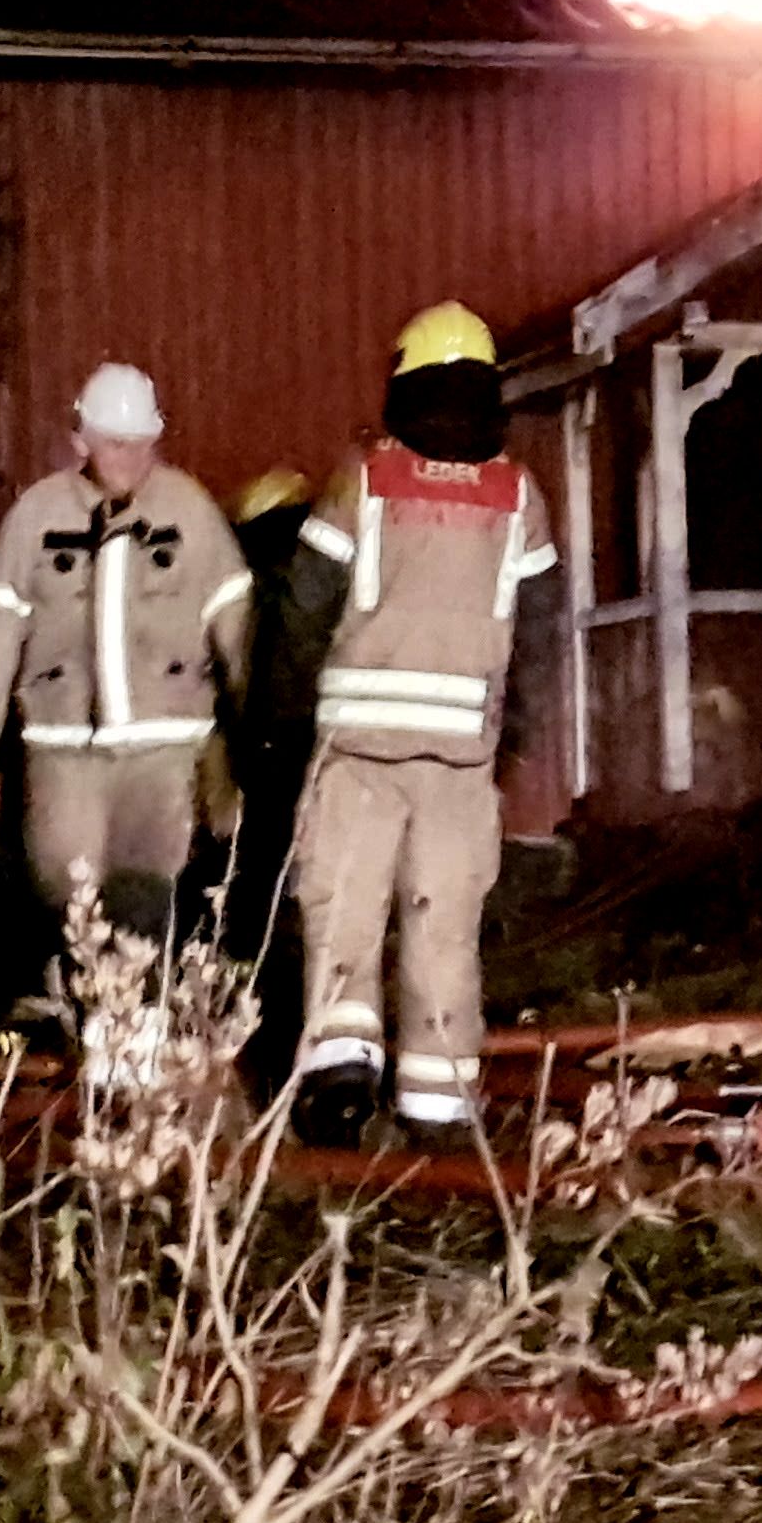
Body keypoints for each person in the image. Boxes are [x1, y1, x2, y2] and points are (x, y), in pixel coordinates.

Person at [277, 304, 557, 1144]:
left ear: (404, 383)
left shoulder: (363, 481)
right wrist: (513, 737)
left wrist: (287, 714)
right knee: (444, 929)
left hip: (357, 751)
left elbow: (303, 607)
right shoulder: (519, 496)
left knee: (343, 913)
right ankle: (437, 1111)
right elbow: (538, 631)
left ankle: (339, 1081)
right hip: (461, 761)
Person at [0, 362, 251, 1021]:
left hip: (166, 748)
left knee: (149, 896)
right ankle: (79, 1027)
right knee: (67, 889)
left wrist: (250, 738)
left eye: (143, 444)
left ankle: (140, 1031)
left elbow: (235, 622)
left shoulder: (189, 512)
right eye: (115, 443)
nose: (130, 459)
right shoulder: (38, 516)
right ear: (80, 439)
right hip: (65, 749)